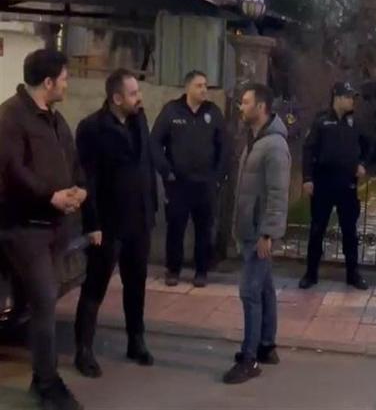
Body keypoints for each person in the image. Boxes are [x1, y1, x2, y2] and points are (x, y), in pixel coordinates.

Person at [0, 49, 87, 410]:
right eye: (64, 78)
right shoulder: (11, 117)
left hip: (55, 227)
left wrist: (79, 189)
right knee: (45, 301)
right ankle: (47, 383)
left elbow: (73, 161)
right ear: (48, 82)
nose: (68, 84)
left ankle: (41, 376)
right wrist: (49, 196)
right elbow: (12, 170)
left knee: (39, 303)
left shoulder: (55, 119)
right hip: (25, 229)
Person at [73, 70, 157, 379]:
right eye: (133, 94)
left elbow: (145, 165)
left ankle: (136, 340)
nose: (139, 98)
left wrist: (152, 207)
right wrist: (92, 223)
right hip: (108, 223)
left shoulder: (139, 120)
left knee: (136, 285)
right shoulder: (92, 128)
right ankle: (84, 350)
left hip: (139, 220)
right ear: (116, 98)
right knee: (95, 286)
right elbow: (87, 179)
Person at [223, 83, 290, 385]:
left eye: (246, 102)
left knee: (249, 292)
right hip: (251, 228)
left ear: (261, 107)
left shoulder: (274, 145)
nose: (241, 106)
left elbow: (278, 194)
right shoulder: (256, 139)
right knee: (263, 288)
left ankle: (249, 359)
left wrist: (268, 234)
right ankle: (266, 346)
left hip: (259, 233)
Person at [151, 70, 228, 288]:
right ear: (187, 88)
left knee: (204, 229)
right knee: (175, 228)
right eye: (199, 85)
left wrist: (218, 177)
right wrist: (166, 171)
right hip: (178, 184)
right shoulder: (171, 111)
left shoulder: (213, 112)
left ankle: (201, 271)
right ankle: (173, 270)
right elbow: (154, 142)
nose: (204, 90)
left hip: (205, 184)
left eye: (205, 85)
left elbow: (224, 147)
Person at [299, 82, 370, 291]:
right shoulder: (321, 121)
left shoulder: (355, 122)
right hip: (323, 183)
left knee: (349, 230)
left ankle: (353, 274)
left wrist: (362, 163)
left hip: (347, 183)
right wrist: (307, 178)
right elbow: (308, 150)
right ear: (337, 98)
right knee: (317, 228)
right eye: (348, 97)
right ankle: (311, 273)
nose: (352, 101)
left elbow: (368, 144)